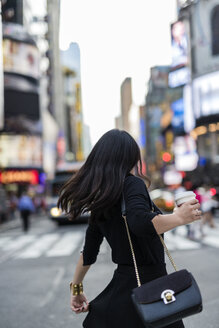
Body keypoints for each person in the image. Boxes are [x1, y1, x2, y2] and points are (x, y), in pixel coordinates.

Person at [58, 129, 201, 328]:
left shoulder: (102, 197)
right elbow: (140, 222)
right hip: (151, 288)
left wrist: (76, 289)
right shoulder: (132, 184)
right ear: (129, 158)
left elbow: (88, 251)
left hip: (124, 290)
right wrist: (178, 218)